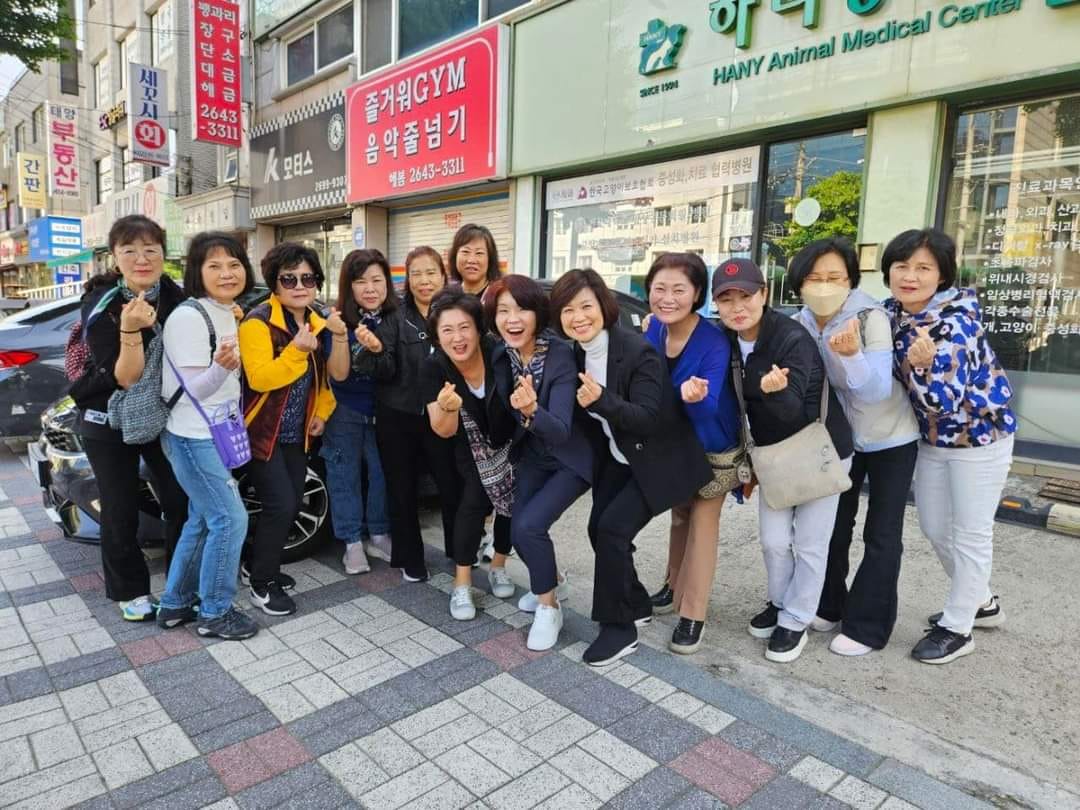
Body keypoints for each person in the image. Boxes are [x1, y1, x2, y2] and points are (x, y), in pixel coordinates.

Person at [550, 269, 711, 667]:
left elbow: (647, 418)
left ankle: (619, 629)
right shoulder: (575, 353)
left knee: (612, 530)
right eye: (568, 310)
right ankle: (636, 602)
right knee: (599, 529)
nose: (578, 317)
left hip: (657, 461)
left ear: (604, 306)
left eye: (586, 306)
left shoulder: (638, 352)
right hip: (618, 458)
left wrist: (601, 399)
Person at [884, 228, 1016, 665]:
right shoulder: (892, 312)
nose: (910, 276)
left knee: (971, 533)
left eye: (923, 268)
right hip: (933, 441)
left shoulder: (955, 323)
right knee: (935, 527)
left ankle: (959, 628)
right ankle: (982, 601)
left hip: (979, 439)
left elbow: (942, 402)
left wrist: (924, 368)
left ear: (941, 276)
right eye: (902, 266)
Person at [712, 258, 854, 664]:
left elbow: (794, 412)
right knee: (774, 541)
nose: (737, 307)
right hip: (773, 456)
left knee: (810, 544)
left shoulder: (791, 338)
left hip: (819, 450)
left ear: (764, 294)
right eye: (726, 299)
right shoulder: (726, 338)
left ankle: (796, 619)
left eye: (746, 296)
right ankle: (779, 602)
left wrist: (774, 392)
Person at [788, 238, 921, 657]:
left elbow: (877, 389)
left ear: (850, 280)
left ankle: (867, 626)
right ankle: (828, 604)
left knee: (881, 532)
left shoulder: (869, 317)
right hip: (837, 439)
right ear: (799, 282)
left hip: (890, 437)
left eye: (835, 277)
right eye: (814, 278)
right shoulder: (799, 322)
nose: (825, 286)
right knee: (832, 525)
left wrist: (850, 356)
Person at [69, 215, 187, 622]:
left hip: (159, 414)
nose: (142, 258)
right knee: (119, 506)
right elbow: (124, 377)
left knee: (180, 496)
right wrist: (131, 330)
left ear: (163, 254)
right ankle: (130, 590)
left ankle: (180, 581)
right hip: (106, 416)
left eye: (151, 249)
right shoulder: (102, 302)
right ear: (115, 256)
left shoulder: (174, 296)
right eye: (130, 250)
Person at [157, 232, 258, 640]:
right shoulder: (188, 317)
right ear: (197, 272)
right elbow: (195, 389)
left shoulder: (224, 311)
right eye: (214, 265)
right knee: (230, 519)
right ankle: (215, 612)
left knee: (202, 519)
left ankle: (175, 603)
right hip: (191, 436)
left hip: (211, 432)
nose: (226, 273)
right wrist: (221, 368)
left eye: (234, 264)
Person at [487, 275, 592, 651]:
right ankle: (553, 582)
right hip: (532, 453)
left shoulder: (560, 355)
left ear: (538, 314)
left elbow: (561, 429)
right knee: (518, 528)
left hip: (569, 459)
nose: (512, 319)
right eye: (503, 311)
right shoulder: (502, 354)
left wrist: (532, 409)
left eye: (522, 309)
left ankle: (550, 608)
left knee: (530, 527)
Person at [643, 254, 741, 655]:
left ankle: (693, 614)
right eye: (660, 289)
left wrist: (693, 398)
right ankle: (673, 585)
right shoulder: (654, 329)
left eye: (679, 290)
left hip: (712, 446)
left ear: (697, 293)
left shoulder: (713, 342)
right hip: (673, 444)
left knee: (702, 522)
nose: (668, 298)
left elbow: (710, 407)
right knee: (679, 515)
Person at [239, 242, 336, 616]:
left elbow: (322, 379)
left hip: (297, 433)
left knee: (291, 503)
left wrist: (322, 412)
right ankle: (262, 584)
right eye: (289, 278)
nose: (299, 286)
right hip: (262, 433)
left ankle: (256, 565)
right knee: (280, 505)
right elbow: (260, 378)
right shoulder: (257, 323)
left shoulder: (315, 319)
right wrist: (296, 351)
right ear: (274, 283)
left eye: (307, 278)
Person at [369, 247, 461, 583]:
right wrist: (375, 350)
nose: (424, 280)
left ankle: (460, 551)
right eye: (416, 274)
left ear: (443, 275)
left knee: (452, 484)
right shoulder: (394, 315)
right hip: (398, 414)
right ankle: (411, 559)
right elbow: (383, 368)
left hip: (444, 412)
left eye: (431, 272)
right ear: (407, 279)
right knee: (402, 488)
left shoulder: (454, 312)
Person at [423, 288, 516, 620]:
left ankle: (499, 565)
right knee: (473, 500)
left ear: (479, 329)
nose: (458, 337)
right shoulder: (435, 367)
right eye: (447, 330)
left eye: (465, 327)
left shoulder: (499, 354)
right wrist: (448, 408)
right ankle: (461, 583)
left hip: (511, 439)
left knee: (512, 502)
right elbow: (443, 429)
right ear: (437, 336)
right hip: (469, 443)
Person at [322, 249, 394, 576]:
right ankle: (351, 542)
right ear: (349, 286)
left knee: (382, 473)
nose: (370, 288)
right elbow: (337, 374)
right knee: (344, 475)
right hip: (344, 410)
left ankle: (378, 534)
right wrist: (340, 334)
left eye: (377, 280)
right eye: (361, 281)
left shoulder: (394, 318)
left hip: (384, 409)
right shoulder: (337, 320)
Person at [448, 223, 500, 298]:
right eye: (465, 251)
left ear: (490, 259)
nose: (471, 260)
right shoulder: (448, 297)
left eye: (479, 253)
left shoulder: (499, 297)